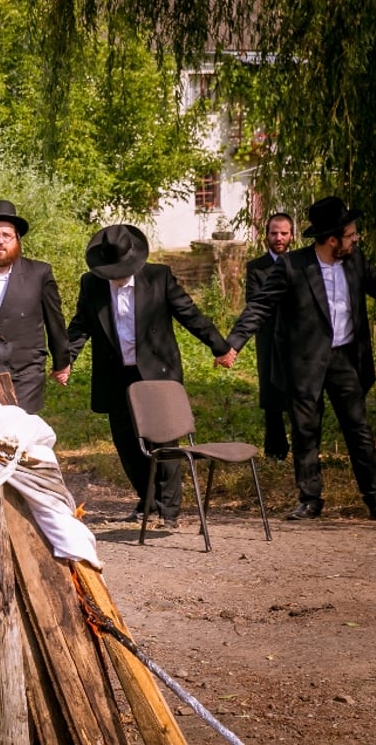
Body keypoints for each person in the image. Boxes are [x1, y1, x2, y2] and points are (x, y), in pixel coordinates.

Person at [218, 197, 376, 522]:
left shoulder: (355, 261)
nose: (355, 238)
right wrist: (233, 344)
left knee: (358, 430)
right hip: (304, 364)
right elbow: (260, 306)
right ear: (332, 239)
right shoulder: (292, 266)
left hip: (345, 360)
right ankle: (310, 499)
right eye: (351, 234)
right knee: (305, 432)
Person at [66, 224, 230, 527]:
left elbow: (188, 313)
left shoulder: (158, 277)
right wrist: (65, 360)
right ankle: (147, 500)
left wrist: (220, 347)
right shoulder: (92, 284)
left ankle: (169, 511)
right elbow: (80, 325)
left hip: (156, 372)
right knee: (127, 444)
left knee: (164, 442)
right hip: (116, 374)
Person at [0, 200, 70, 414]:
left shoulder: (39, 273)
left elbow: (55, 321)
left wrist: (62, 362)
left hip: (25, 372)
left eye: (6, 235)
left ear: (17, 240)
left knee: (19, 434)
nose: (0, 241)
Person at [245, 212, 295, 461]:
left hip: (298, 340)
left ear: (292, 235)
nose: (278, 238)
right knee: (272, 395)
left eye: (283, 233)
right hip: (268, 339)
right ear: (266, 235)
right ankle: (275, 450)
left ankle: (305, 448)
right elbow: (255, 303)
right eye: (274, 232)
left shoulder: (301, 264)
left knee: (300, 394)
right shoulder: (256, 268)